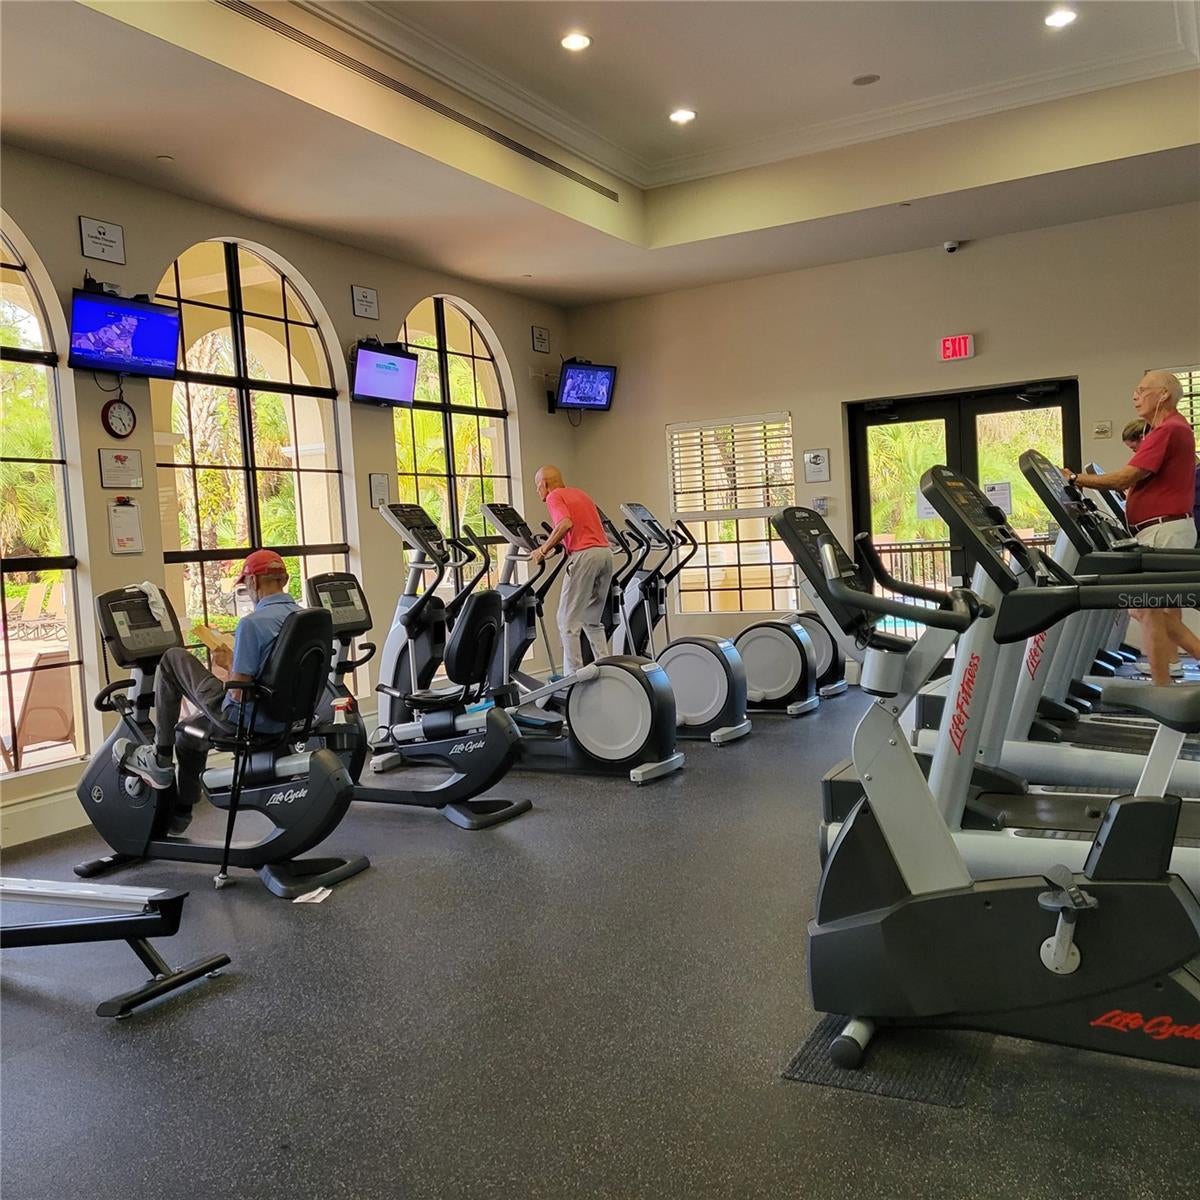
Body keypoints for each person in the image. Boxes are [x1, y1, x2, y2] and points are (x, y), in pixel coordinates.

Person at [115, 549, 300, 831]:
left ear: (252, 581)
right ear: (284, 579)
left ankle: (160, 758)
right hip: (288, 716)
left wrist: (229, 664)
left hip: (245, 718)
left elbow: (239, 694)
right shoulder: (303, 617)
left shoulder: (252, 624)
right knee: (187, 732)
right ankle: (181, 813)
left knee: (172, 659)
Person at [1062, 371, 1200, 686]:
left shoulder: (1167, 429)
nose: (1135, 396)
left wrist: (1075, 479)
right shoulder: (1169, 429)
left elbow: (1125, 477)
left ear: (1163, 394)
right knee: (1147, 607)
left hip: (1164, 529)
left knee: (1146, 606)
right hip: (1162, 528)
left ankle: (1163, 685)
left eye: (1141, 390)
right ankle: (1163, 683)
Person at [528, 465, 615, 676]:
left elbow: (565, 523)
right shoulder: (580, 494)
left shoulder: (554, 496)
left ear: (544, 484)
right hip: (605, 554)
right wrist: (559, 543)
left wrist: (542, 550)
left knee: (566, 621)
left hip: (585, 556)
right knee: (592, 620)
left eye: (537, 486)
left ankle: (574, 677)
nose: (537, 491)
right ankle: (608, 670)